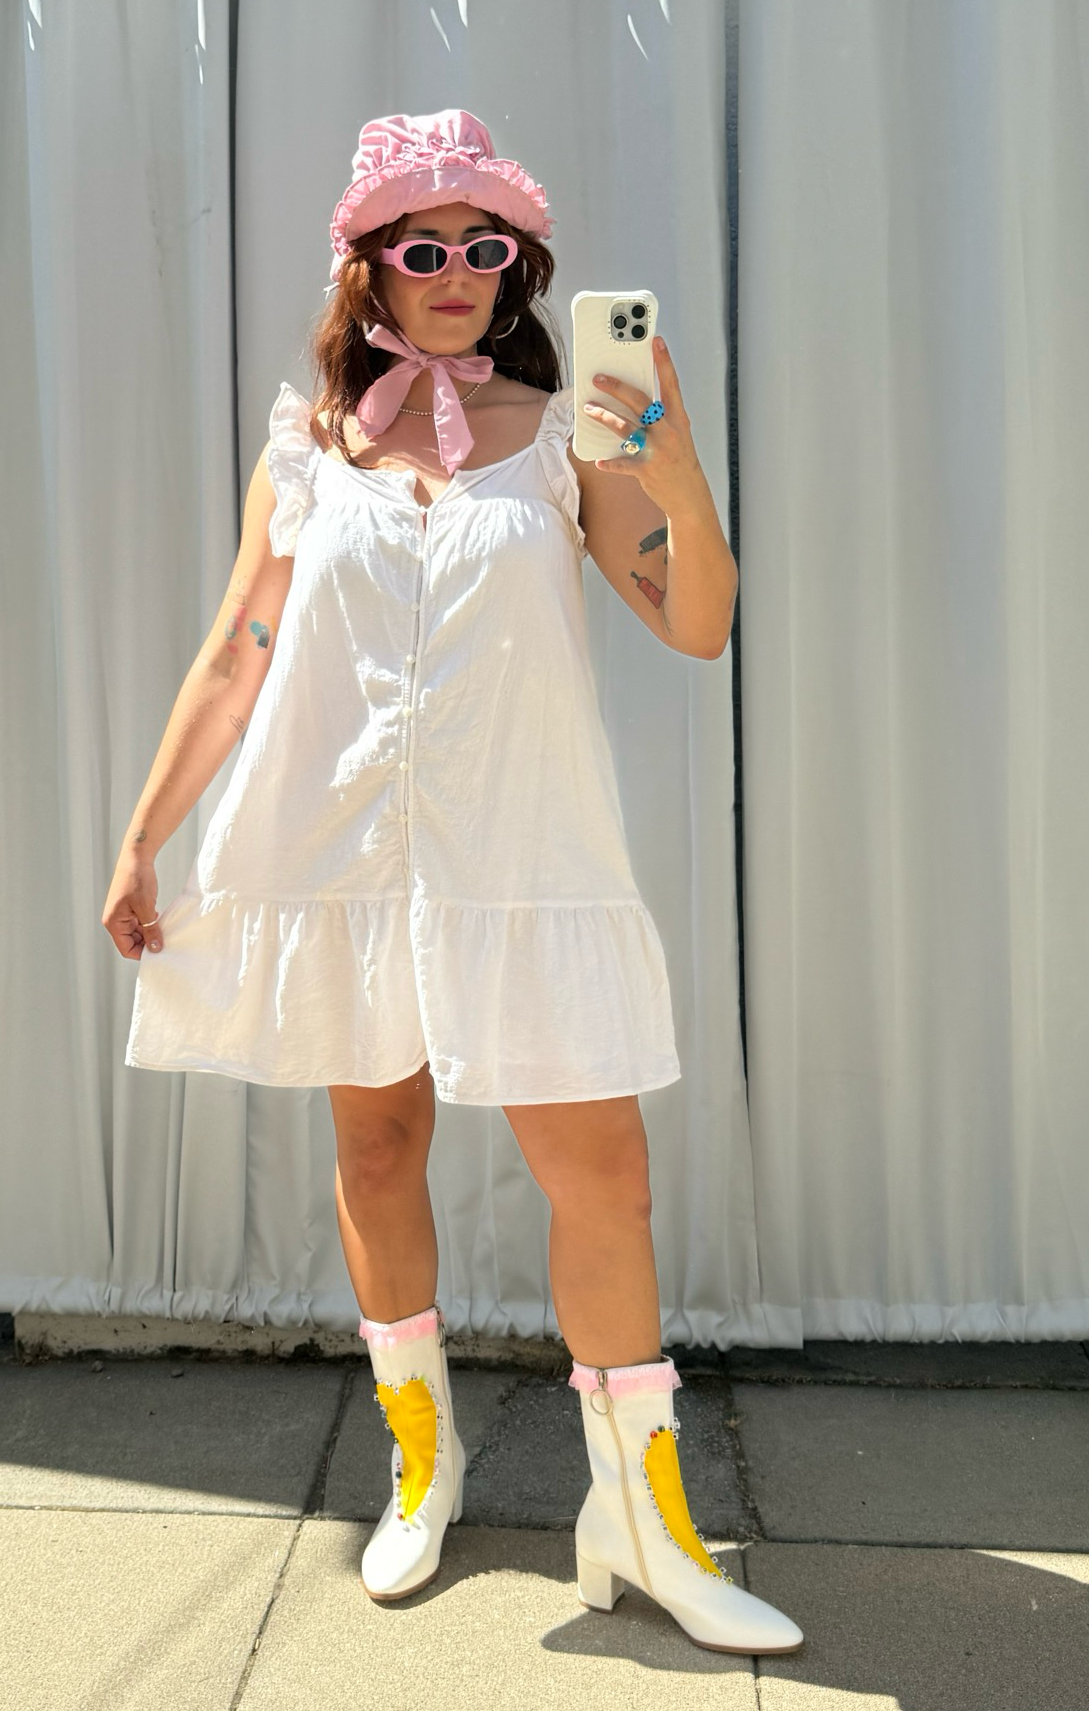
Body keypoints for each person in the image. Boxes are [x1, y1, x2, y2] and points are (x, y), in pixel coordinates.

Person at [101, 109, 803, 1655]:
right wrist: (147, 831)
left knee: (601, 1175)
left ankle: (641, 1515)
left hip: (519, 859)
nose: (459, 275)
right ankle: (421, 1461)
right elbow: (242, 649)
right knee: (376, 1147)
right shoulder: (308, 447)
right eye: (424, 249)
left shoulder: (565, 438)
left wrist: (677, 474)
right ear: (369, 273)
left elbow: (693, 623)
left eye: (487, 250)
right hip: (346, 858)